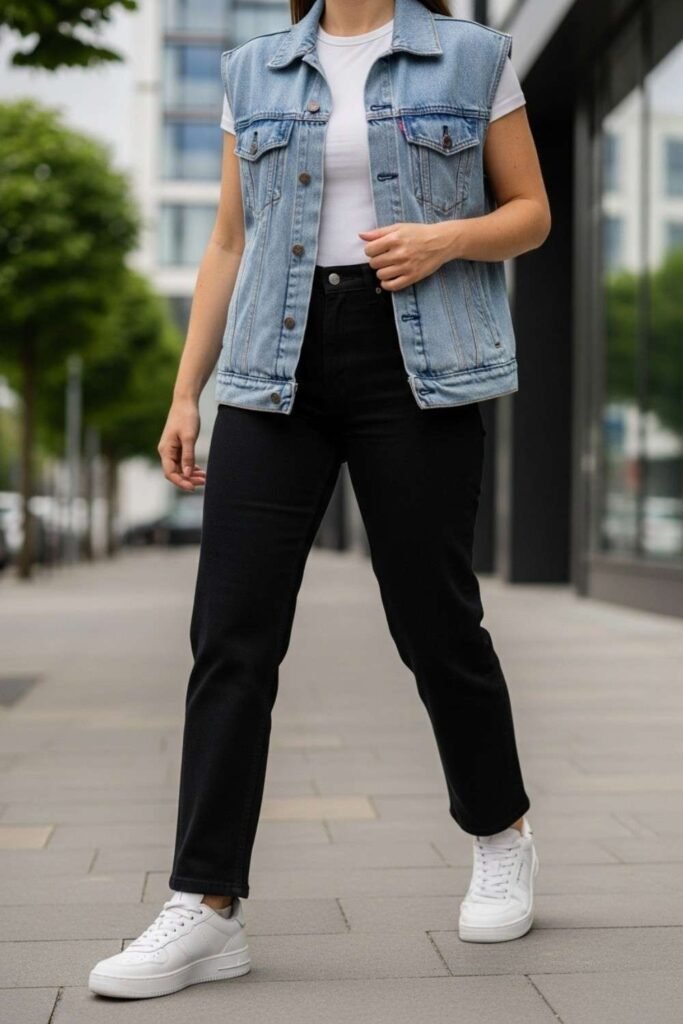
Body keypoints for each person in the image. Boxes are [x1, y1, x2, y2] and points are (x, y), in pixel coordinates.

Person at [89, 0, 550, 1000]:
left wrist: (444, 241)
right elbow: (225, 242)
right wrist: (184, 391)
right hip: (270, 365)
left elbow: (531, 212)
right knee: (231, 632)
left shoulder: (470, 55)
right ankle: (205, 904)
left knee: (434, 621)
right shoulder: (254, 66)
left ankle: (498, 830)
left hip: (413, 360)